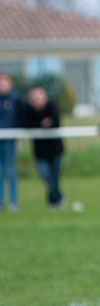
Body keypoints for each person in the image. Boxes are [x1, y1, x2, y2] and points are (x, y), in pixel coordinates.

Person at [23, 86, 64, 209]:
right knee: (46, 175)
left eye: (39, 97)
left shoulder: (52, 106)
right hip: (40, 151)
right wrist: (41, 124)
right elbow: (25, 124)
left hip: (55, 149)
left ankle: (52, 203)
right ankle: (59, 197)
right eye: (34, 98)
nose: (37, 100)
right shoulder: (28, 110)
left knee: (55, 178)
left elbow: (56, 121)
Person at [0, 73, 21, 212]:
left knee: (10, 171)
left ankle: (13, 202)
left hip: (9, 140)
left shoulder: (15, 99)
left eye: (4, 82)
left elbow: (18, 118)